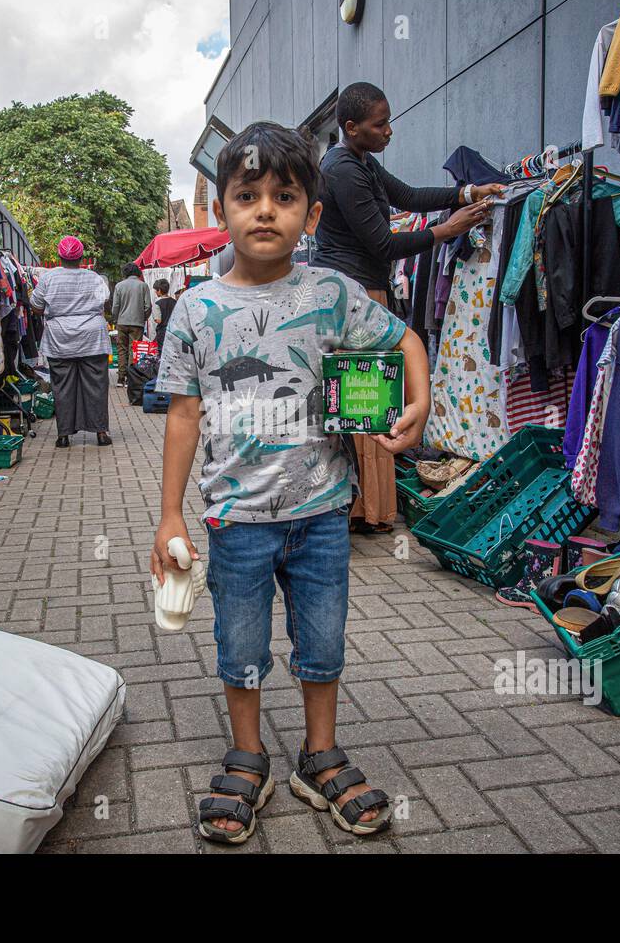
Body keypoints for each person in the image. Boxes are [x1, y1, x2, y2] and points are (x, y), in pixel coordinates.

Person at [151, 122, 431, 844]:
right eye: (248, 195)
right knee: (239, 645)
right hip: (234, 520)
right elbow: (183, 415)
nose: (265, 210)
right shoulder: (195, 309)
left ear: (311, 214)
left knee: (324, 644)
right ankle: (248, 757)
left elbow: (404, 339)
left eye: (284, 196)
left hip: (322, 515)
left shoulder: (334, 294)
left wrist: (419, 400)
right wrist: (168, 517)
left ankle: (319, 755)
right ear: (223, 212)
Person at [314, 81, 504, 533]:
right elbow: (383, 242)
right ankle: (361, 508)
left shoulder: (363, 164)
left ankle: (366, 508)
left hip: (362, 290)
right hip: (351, 293)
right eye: (380, 124)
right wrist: (446, 230)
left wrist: (465, 195)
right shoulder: (341, 169)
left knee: (367, 400)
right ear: (351, 126)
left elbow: (409, 197)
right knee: (364, 401)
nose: (389, 131)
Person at [29, 236, 113, 447]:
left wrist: (54, 311)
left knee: (62, 387)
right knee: (96, 386)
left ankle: (64, 436)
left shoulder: (49, 278)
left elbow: (36, 306)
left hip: (60, 339)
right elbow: (105, 301)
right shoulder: (94, 278)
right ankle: (101, 432)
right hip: (93, 338)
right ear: (81, 257)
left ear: (59, 256)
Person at [111, 263, 151, 385]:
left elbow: (115, 306)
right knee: (133, 349)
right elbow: (148, 306)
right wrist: (142, 317)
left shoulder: (119, 286)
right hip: (137, 323)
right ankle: (131, 378)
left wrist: (115, 319)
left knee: (121, 349)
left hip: (122, 322)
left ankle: (120, 378)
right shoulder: (143, 286)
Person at [151, 279, 176, 345]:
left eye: (156, 290)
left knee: (161, 351)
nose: (155, 292)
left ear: (159, 290)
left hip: (162, 332)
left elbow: (158, 320)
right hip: (174, 331)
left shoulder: (157, 303)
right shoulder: (175, 302)